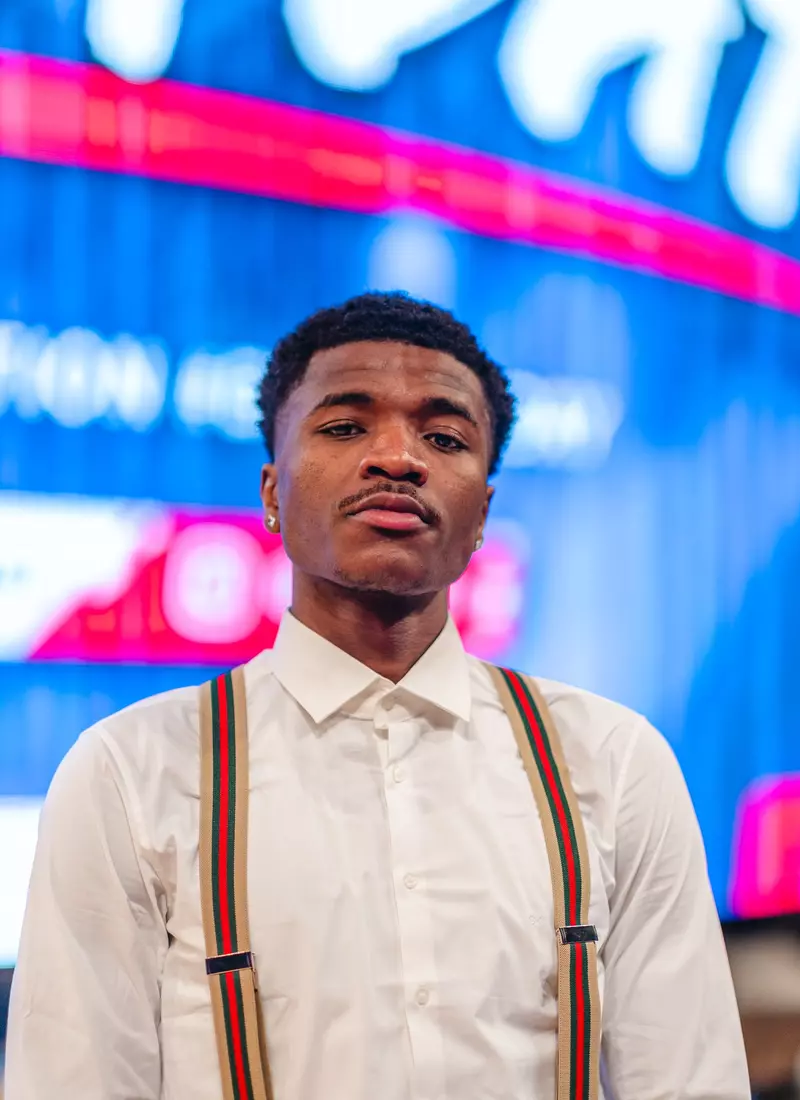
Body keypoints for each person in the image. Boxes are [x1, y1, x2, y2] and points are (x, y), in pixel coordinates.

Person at [5, 292, 750, 1100]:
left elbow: (689, 1082)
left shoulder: (615, 761)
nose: (398, 458)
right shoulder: (128, 773)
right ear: (271, 493)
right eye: (344, 426)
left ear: (481, 518)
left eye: (444, 436)